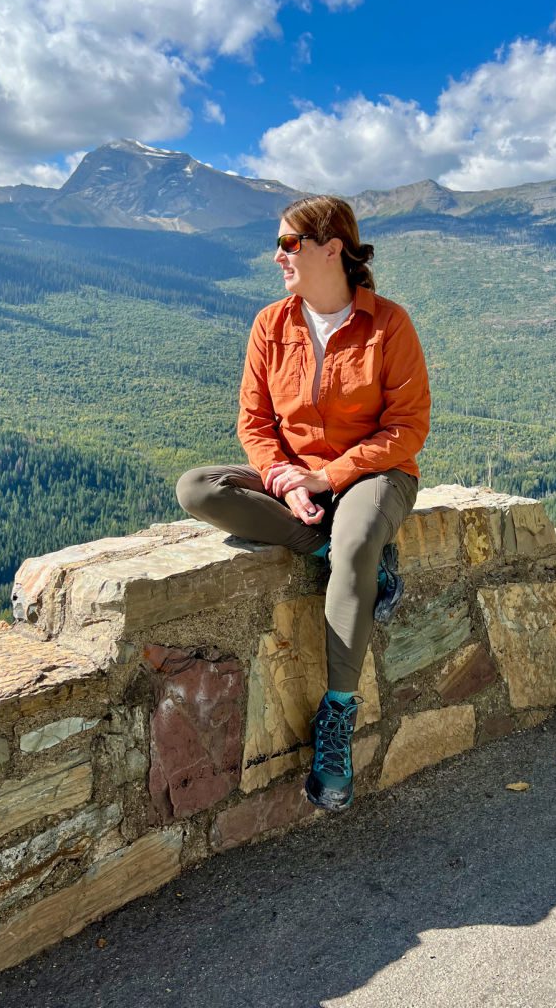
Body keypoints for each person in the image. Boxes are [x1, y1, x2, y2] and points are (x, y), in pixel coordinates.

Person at [176, 195, 430, 811]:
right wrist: (286, 479)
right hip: (297, 477)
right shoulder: (271, 324)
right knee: (197, 488)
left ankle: (337, 718)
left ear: (331, 248)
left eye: (290, 244)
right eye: (280, 244)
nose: (278, 255)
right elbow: (255, 421)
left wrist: (332, 476)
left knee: (358, 537)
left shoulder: (387, 324)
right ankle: (331, 546)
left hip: (376, 472)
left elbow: (407, 426)